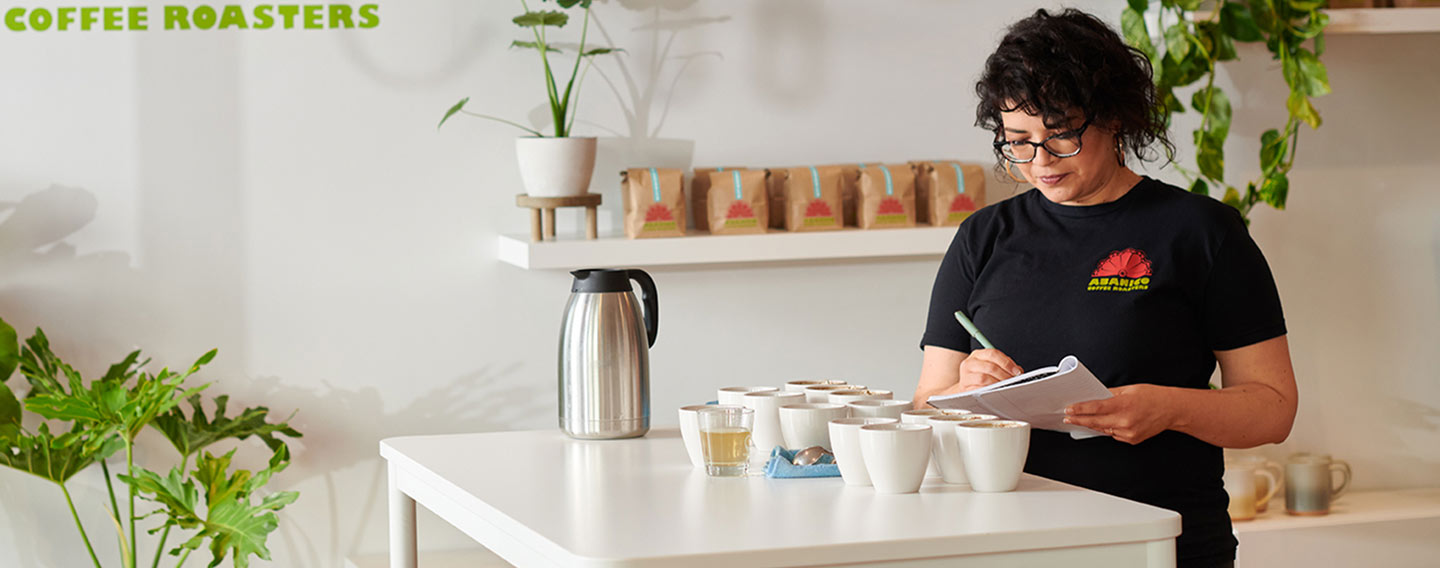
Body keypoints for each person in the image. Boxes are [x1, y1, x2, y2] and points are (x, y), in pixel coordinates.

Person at [912, 8, 1298, 568]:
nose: (1039, 161)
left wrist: (1169, 408)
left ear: (1115, 117)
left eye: (1062, 135)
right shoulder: (984, 237)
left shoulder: (1200, 232)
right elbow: (927, 404)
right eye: (1017, 141)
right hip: (1006, 544)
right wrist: (964, 391)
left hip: (1158, 542)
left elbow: (1273, 409)